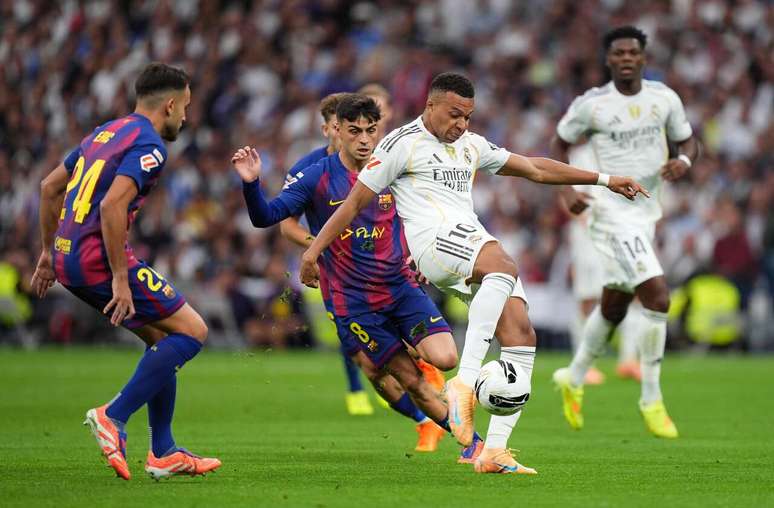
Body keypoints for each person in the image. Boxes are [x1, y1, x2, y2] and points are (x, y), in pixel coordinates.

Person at [297, 72, 647, 474]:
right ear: (430, 107)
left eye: (468, 116)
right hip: (434, 245)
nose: (461, 124)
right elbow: (353, 204)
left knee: (520, 330)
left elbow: (534, 168)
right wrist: (312, 254)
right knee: (504, 264)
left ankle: (495, 451)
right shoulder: (400, 144)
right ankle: (464, 383)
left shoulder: (470, 145)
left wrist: (604, 180)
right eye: (453, 114)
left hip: (467, 243)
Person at [231, 94, 483, 461]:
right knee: (407, 380)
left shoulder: (395, 166)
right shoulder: (316, 175)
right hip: (356, 302)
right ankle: (475, 447)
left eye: (371, 130)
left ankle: (445, 397)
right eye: (355, 131)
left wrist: (421, 252)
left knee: (446, 358)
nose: (364, 139)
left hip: (400, 286)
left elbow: (427, 211)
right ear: (338, 132)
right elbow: (267, 217)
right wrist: (252, 184)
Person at [30, 63, 221, 480]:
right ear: (169, 104)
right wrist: (120, 277)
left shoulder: (106, 131)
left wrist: (47, 253)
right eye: (185, 107)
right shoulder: (151, 145)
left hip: (67, 256)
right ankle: (113, 416)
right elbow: (111, 206)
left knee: (161, 339)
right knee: (193, 331)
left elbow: (49, 187)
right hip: (98, 259)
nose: (186, 117)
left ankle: (163, 451)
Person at [277, 91, 448, 451]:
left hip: (390, 274)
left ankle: (420, 366)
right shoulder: (308, 170)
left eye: (372, 127)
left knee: (395, 356)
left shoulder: (386, 162)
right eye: (345, 129)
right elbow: (284, 225)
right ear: (330, 129)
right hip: (341, 282)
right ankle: (423, 420)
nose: (361, 136)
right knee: (367, 364)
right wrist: (322, 245)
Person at [550, 26, 699, 438]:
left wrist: (683, 163)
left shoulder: (664, 99)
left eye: (634, 51)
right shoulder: (593, 105)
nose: (627, 58)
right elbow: (558, 146)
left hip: (646, 214)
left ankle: (574, 377)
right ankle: (651, 398)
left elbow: (689, 143)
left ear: (643, 57)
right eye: (619, 53)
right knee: (657, 296)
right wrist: (568, 193)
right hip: (609, 212)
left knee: (615, 304)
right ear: (609, 59)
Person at [561, 143, 644, 385]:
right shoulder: (580, 156)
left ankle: (629, 360)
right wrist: (587, 222)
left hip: (621, 234)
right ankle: (584, 364)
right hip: (589, 236)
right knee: (588, 299)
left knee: (633, 292)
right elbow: (566, 195)